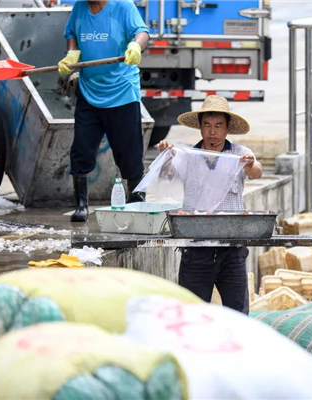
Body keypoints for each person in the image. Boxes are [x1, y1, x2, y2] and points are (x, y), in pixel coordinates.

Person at [156, 95, 263, 314]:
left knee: (238, 314)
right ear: (200, 127)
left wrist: (250, 164)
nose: (212, 132)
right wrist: (166, 155)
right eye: (207, 125)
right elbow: (166, 174)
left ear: (227, 128)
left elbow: (257, 171)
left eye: (218, 126)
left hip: (232, 248)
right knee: (193, 314)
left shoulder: (239, 154)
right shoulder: (188, 155)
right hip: (196, 248)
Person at [59, 0, 149, 222]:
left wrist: (136, 46)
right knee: (81, 148)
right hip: (89, 91)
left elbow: (142, 32)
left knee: (129, 152)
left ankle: (136, 199)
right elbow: (71, 33)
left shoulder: (123, 6)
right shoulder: (80, 7)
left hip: (121, 92)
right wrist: (72, 54)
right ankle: (81, 205)